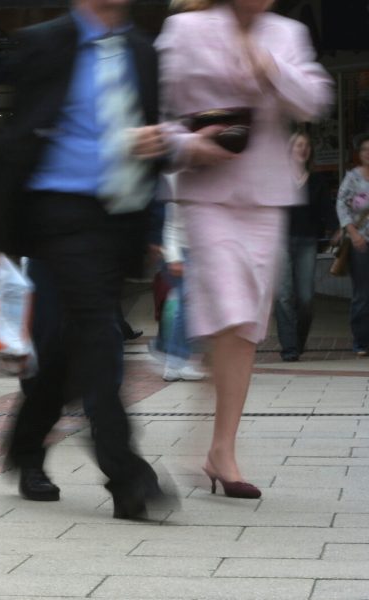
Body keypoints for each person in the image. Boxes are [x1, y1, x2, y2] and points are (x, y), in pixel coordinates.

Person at [0, 0, 173, 519]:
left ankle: (25, 448)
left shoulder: (142, 51)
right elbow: (16, 139)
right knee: (98, 336)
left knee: (69, 350)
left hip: (119, 215)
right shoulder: (46, 42)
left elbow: (157, 134)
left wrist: (159, 149)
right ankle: (127, 475)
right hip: (57, 210)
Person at [159, 0, 332, 499]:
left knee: (246, 325)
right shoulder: (184, 28)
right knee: (230, 307)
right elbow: (159, 113)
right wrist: (191, 144)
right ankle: (218, 446)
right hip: (206, 189)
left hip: (265, 194)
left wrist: (269, 66)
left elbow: (314, 102)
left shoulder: (286, 33)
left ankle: (220, 447)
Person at [275, 132, 327, 362]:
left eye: (306, 145)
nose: (302, 148)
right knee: (284, 295)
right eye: (298, 145)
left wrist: (334, 230)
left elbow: (325, 212)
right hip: (280, 241)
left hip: (307, 241)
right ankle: (289, 348)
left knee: (305, 298)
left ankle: (298, 340)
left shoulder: (317, 181)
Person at [157, 197, 207, 381]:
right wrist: (174, 257)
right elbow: (169, 225)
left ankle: (173, 359)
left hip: (198, 251)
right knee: (187, 306)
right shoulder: (180, 178)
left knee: (187, 306)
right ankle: (175, 360)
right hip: (183, 252)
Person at [337, 134, 369, 357]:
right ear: (360, 153)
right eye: (365, 149)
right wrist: (352, 232)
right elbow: (341, 205)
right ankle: (361, 341)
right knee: (362, 293)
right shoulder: (352, 178)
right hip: (361, 242)